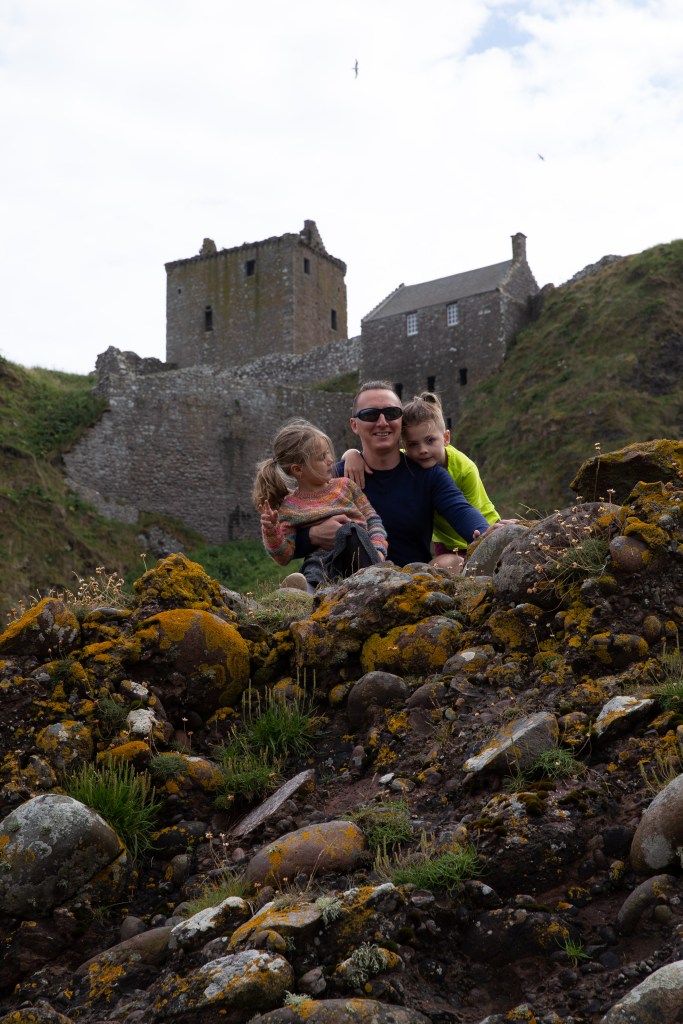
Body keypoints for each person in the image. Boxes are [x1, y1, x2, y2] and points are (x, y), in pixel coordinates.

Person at [294, 381, 500, 567]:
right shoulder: (336, 475)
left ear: (401, 422)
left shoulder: (429, 475)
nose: (382, 421)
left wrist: (487, 532)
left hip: (413, 583)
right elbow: (284, 535)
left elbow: (460, 510)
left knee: (451, 562)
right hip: (347, 588)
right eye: (370, 414)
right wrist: (312, 535)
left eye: (391, 413)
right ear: (354, 425)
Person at [253, 418, 387, 591]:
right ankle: (301, 593)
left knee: (349, 531)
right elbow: (284, 556)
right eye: (322, 457)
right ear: (298, 470)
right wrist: (272, 531)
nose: (331, 460)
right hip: (322, 564)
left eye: (328, 453)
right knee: (313, 567)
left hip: (361, 556)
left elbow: (373, 520)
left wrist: (377, 550)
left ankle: (373, 582)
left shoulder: (346, 486)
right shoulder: (289, 507)